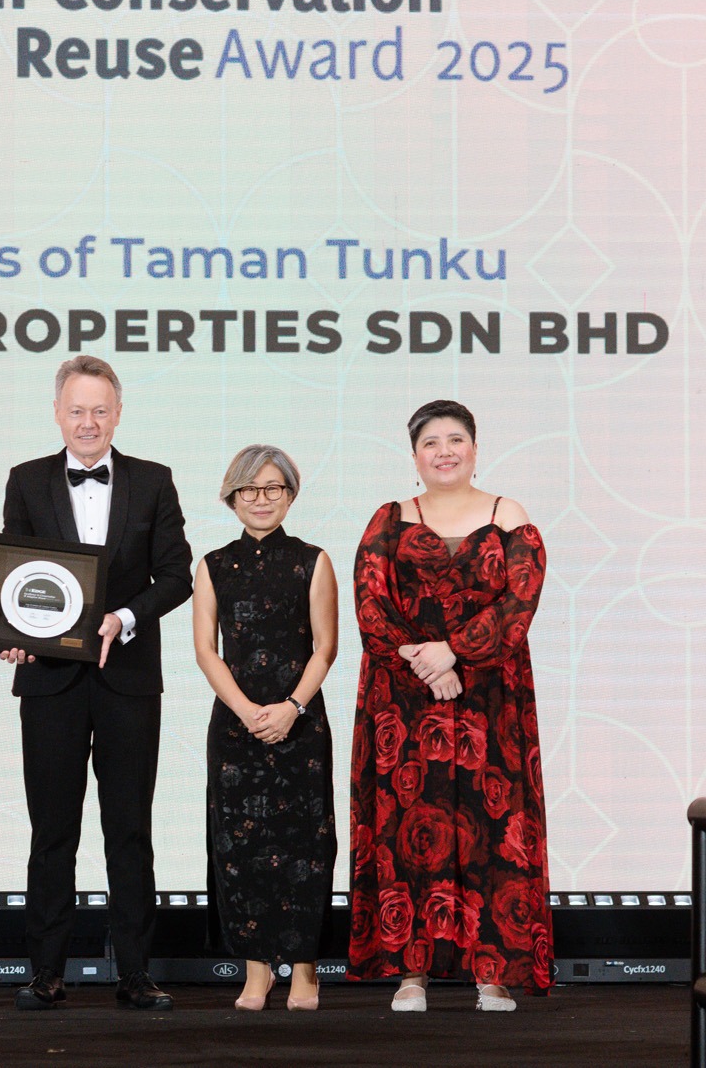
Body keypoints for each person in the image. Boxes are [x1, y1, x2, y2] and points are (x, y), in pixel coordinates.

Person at [1, 355, 194, 1012]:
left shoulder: (154, 480)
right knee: (51, 831)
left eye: (100, 410)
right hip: (49, 681)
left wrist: (124, 617)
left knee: (129, 829)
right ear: (58, 413)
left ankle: (135, 972)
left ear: (118, 413)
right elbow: (15, 578)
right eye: (77, 410)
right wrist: (14, 632)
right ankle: (45, 971)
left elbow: (177, 575)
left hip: (128, 680)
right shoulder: (26, 479)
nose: (89, 421)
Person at [348, 399, 553, 1012]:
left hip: (489, 697)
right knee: (412, 827)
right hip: (405, 699)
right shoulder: (388, 518)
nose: (445, 451)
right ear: (414, 456)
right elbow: (370, 605)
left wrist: (455, 653)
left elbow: (520, 601)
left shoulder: (507, 514)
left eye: (456, 439)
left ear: (475, 448)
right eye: (431, 442)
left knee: (492, 826)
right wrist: (426, 662)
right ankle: (411, 975)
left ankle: (493, 975)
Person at [192, 444, 338, 1012]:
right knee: (240, 847)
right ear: (232, 497)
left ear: (290, 495)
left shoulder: (313, 560)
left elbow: (325, 647)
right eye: (249, 489)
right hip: (236, 729)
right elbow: (207, 651)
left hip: (301, 725)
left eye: (273, 488)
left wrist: (291, 707)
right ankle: (256, 970)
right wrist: (247, 710)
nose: (261, 499)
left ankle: (304, 970)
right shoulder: (212, 564)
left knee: (307, 844)